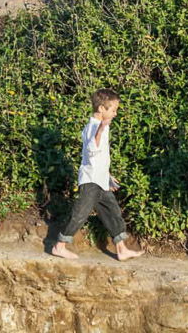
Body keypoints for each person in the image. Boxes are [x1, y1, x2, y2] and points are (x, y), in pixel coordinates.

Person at [51, 88, 144, 261]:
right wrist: (101, 129)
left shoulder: (101, 126)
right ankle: (59, 246)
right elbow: (92, 149)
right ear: (102, 109)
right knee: (80, 213)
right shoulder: (93, 127)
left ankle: (121, 249)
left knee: (113, 211)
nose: (115, 113)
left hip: (100, 179)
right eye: (113, 110)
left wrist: (107, 174)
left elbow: (100, 155)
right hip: (90, 180)